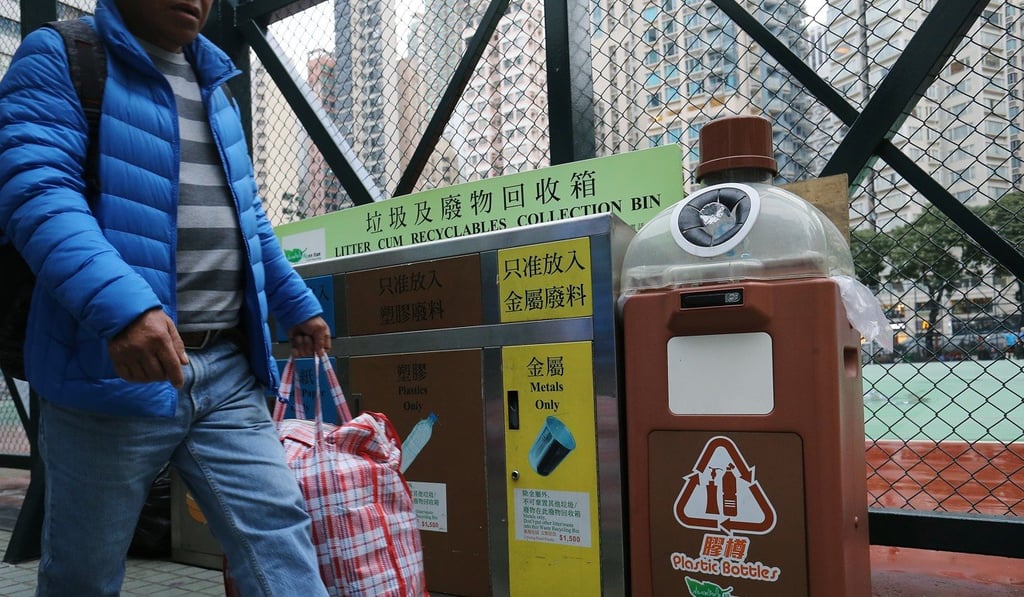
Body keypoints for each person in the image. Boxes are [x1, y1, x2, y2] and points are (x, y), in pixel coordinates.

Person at [0, 1, 330, 595]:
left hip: (227, 370)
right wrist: (124, 309)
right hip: (110, 370)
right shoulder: (64, 56)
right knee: (85, 570)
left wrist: (294, 300)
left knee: (278, 533)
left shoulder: (214, 84)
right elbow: (38, 192)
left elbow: (246, 218)